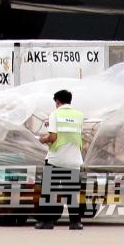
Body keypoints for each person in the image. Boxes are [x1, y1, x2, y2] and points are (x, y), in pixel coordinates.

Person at [36, 89, 85, 230]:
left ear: (57, 102)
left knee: (48, 191)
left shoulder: (55, 114)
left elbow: (52, 137)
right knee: (71, 193)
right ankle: (75, 222)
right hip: (74, 160)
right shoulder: (79, 116)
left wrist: (42, 139)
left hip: (56, 159)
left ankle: (47, 222)